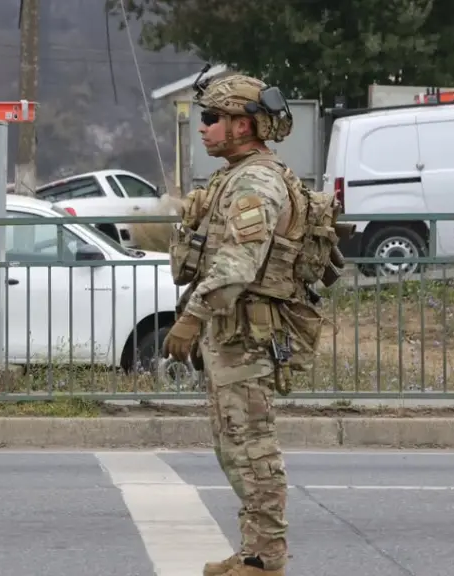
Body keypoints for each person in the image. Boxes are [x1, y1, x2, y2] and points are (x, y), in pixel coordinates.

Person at [163, 74, 307, 576]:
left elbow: (239, 264)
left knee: (253, 447)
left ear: (243, 125)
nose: (203, 129)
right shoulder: (236, 175)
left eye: (211, 119)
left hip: (247, 334)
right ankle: (253, 550)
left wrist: (190, 318)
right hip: (232, 332)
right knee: (233, 446)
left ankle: (266, 559)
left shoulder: (255, 181)